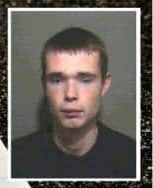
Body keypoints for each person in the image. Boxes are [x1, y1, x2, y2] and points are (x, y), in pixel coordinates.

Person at [11, 27, 136, 179]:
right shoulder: (13, 159)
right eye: (57, 80)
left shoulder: (134, 159)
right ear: (44, 85)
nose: (70, 94)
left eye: (85, 80)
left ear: (104, 84)